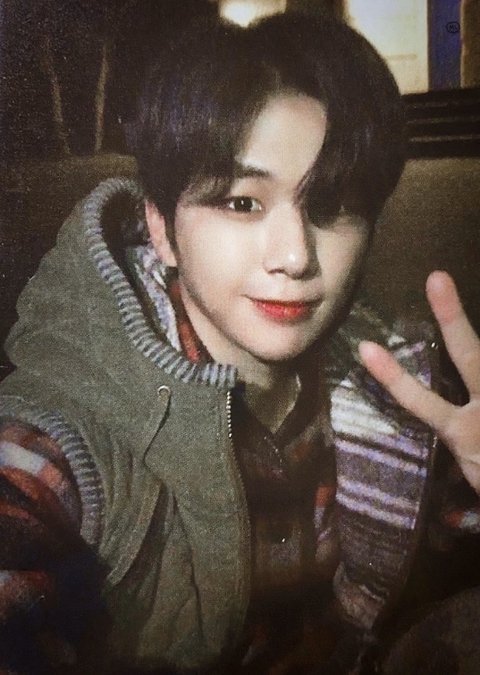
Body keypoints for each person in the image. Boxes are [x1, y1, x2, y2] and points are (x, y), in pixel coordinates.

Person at [0, 11, 479, 675]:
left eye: (332, 204)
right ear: (162, 228)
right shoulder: (59, 438)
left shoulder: (405, 392)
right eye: (241, 203)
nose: (294, 256)